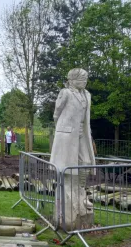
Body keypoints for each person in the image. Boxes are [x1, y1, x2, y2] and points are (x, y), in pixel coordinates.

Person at [50, 68, 95, 228]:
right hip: (68, 134)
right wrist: (63, 130)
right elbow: (57, 113)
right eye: (82, 79)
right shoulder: (65, 93)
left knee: (87, 161)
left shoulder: (87, 94)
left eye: (86, 79)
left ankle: (81, 191)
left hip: (83, 133)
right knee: (68, 168)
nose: (85, 81)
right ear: (72, 80)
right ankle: (70, 197)